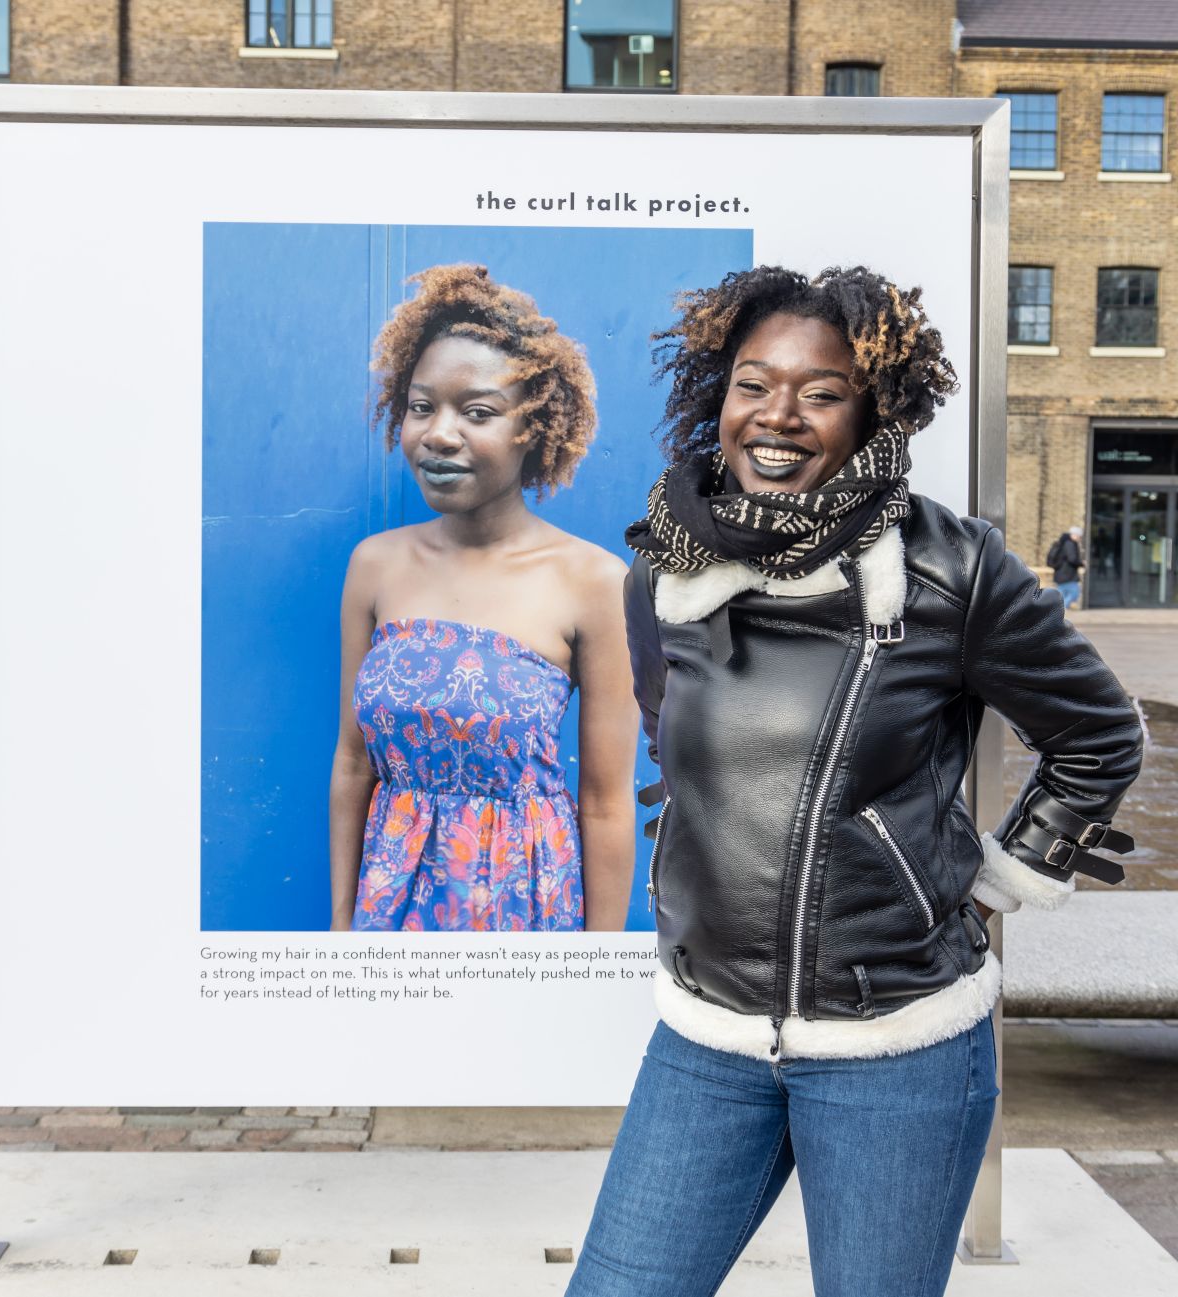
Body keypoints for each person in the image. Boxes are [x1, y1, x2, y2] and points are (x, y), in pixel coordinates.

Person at [567, 265, 1142, 1296]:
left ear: (871, 410)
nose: (776, 416)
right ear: (716, 395)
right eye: (752, 383)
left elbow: (1098, 731)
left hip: (898, 1049)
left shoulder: (951, 572)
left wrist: (995, 873)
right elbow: (667, 731)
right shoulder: (665, 567)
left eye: (818, 391)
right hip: (709, 1038)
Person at [329, 264, 639, 933]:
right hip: (389, 916)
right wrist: (339, 934)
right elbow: (354, 762)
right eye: (421, 406)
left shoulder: (594, 581)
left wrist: (593, 971)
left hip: (521, 913)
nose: (439, 434)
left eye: (478, 412)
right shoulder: (374, 567)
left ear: (534, 428)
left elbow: (607, 802)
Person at [1048, 524, 1085, 608]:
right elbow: (1072, 559)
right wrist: (1082, 563)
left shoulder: (1063, 542)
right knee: (1074, 593)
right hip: (1067, 575)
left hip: (1061, 574)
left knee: (1061, 597)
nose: (1080, 539)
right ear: (1075, 535)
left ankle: (1057, 613)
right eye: (1080, 536)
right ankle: (1059, 611)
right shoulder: (1070, 543)